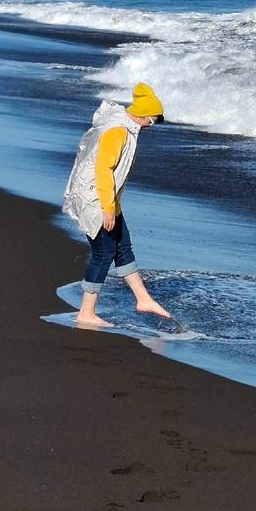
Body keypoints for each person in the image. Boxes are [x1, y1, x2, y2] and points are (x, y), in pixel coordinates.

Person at [63, 82, 172, 327]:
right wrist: (108, 209)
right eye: (153, 121)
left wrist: (114, 205)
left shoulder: (128, 128)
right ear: (143, 115)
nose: (152, 126)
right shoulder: (119, 131)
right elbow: (103, 169)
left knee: (122, 247)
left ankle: (143, 299)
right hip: (97, 200)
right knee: (103, 254)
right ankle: (86, 313)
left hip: (107, 198)